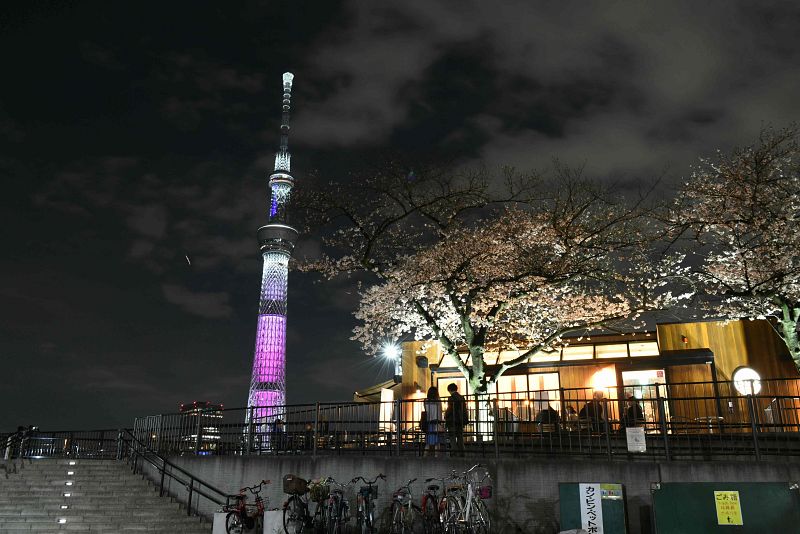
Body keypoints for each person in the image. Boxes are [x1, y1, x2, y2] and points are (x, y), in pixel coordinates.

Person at [444, 383, 467, 457]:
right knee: (460, 437)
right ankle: (462, 453)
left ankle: (454, 453)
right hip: (460, 421)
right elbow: (464, 410)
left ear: (449, 390)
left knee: (452, 438)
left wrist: (446, 415)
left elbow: (450, 409)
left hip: (452, 420)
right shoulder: (462, 398)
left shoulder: (451, 398)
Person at [422, 387, 444, 457]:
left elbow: (426, 410)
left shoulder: (425, 401)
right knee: (437, 442)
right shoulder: (438, 401)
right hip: (436, 422)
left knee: (428, 442)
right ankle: (436, 456)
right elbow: (440, 412)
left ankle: (424, 456)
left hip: (428, 422)